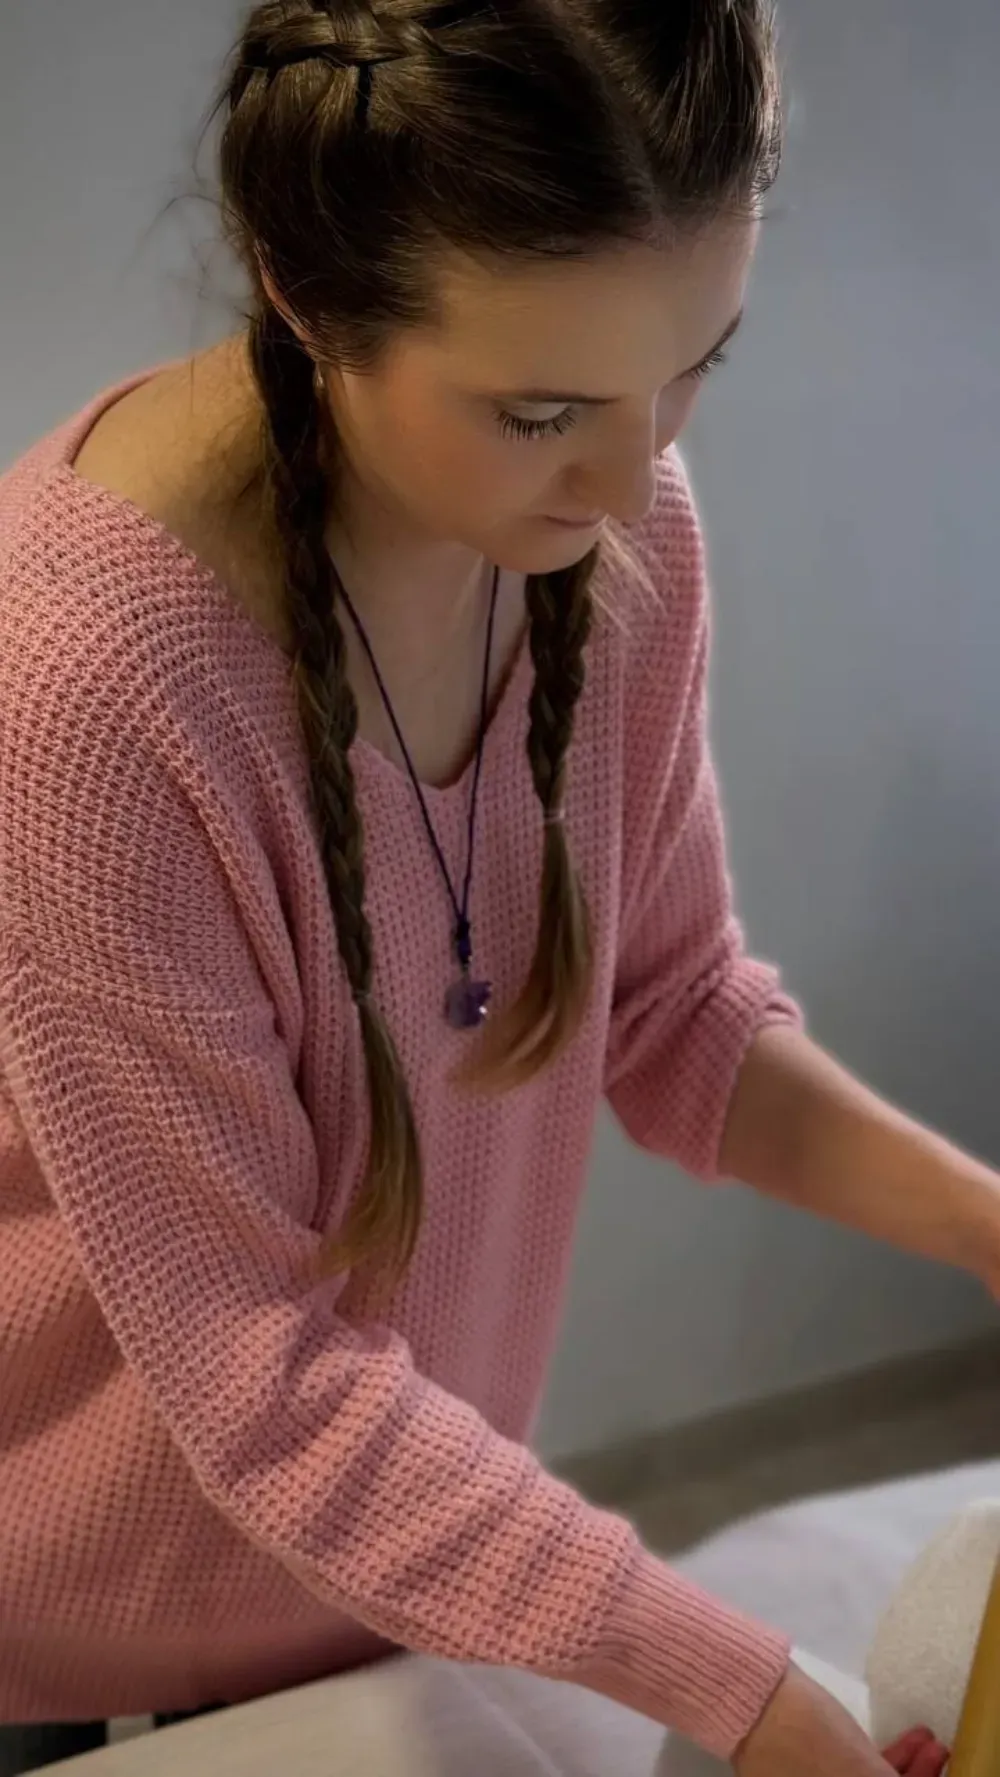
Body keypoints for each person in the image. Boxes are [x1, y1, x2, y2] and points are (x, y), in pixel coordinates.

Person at [0, 0, 991, 1772]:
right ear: (304, 296)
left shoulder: (611, 535)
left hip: (381, 1594)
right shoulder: (82, 691)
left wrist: (986, 1225)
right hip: (81, 1660)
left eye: (700, 364)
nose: (635, 475)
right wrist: (748, 1693)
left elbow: (671, 1011)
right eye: (544, 409)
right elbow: (269, 1380)